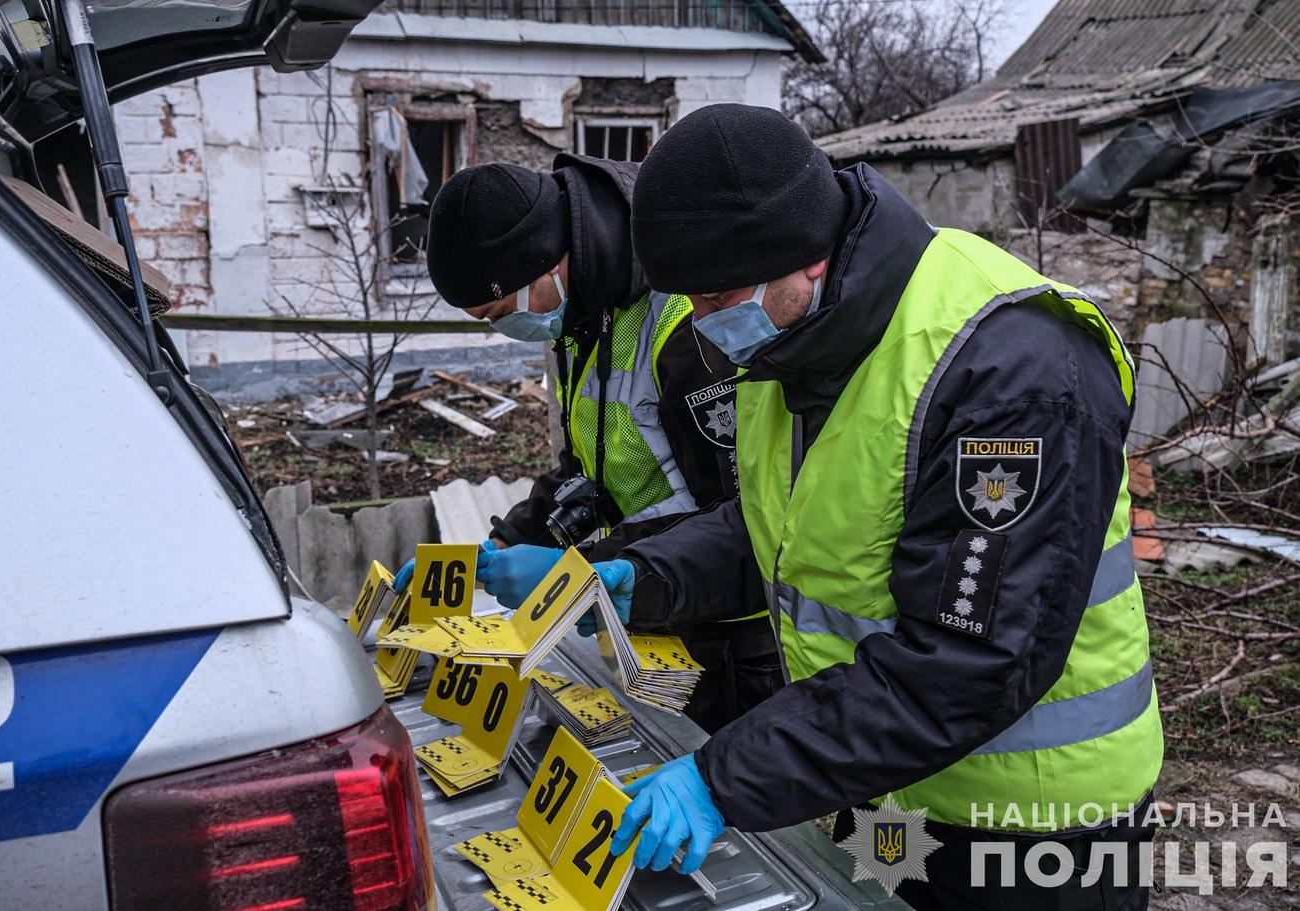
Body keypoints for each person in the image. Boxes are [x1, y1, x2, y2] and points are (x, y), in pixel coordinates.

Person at [597, 105, 1163, 910]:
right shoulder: (792, 347)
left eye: (717, 293)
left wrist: (726, 773)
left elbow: (969, 659)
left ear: (806, 258)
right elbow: (776, 527)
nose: (701, 321)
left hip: (1036, 824)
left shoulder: (1010, 367)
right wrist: (642, 575)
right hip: (886, 790)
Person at [399, 154, 782, 733]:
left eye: (501, 311)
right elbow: (592, 468)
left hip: (741, 636)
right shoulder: (584, 315)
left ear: (544, 265)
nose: (506, 328)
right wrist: (507, 541)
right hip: (654, 602)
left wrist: (575, 570)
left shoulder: (687, 324)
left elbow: (749, 518)